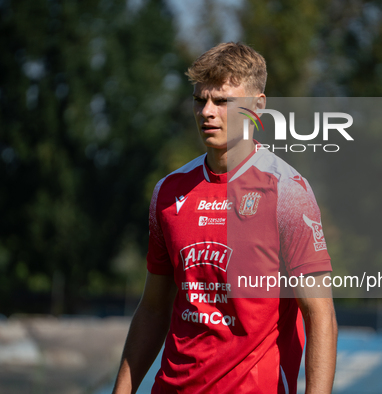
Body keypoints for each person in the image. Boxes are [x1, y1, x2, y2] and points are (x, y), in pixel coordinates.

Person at [113, 42, 337, 394]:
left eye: (222, 101)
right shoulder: (168, 193)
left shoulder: (288, 192)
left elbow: (320, 316)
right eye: (200, 100)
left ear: (257, 106)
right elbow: (154, 309)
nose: (207, 112)